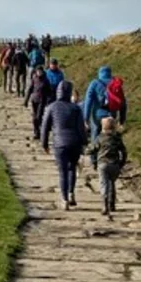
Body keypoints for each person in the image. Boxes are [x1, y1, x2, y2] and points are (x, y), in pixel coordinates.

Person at [40, 80, 87, 209]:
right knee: (72, 168)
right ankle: (71, 193)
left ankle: (64, 199)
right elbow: (81, 128)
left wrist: (44, 143)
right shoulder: (76, 108)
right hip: (75, 143)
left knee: (63, 172)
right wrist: (84, 142)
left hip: (59, 143)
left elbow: (44, 127)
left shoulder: (51, 107)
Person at [82, 65, 128, 167]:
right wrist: (122, 119)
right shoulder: (115, 84)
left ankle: (94, 161)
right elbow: (123, 102)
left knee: (95, 135)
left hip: (97, 115)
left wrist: (86, 117)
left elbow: (88, 101)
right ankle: (111, 159)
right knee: (111, 137)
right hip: (111, 115)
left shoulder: (94, 83)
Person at [95, 115, 128, 218]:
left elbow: (93, 148)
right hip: (114, 164)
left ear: (103, 127)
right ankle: (112, 203)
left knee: (104, 183)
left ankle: (104, 205)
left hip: (103, 164)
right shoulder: (117, 138)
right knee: (112, 183)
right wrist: (121, 162)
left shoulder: (100, 138)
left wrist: (86, 152)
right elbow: (124, 151)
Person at [25, 64, 51, 131]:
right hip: (34, 100)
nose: (39, 73)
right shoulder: (34, 79)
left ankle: (40, 129)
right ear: (36, 72)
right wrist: (26, 100)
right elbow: (30, 89)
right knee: (34, 118)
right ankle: (37, 132)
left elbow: (49, 91)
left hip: (42, 101)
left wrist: (48, 101)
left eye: (40, 71)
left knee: (38, 117)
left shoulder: (46, 80)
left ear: (43, 72)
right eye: (38, 71)